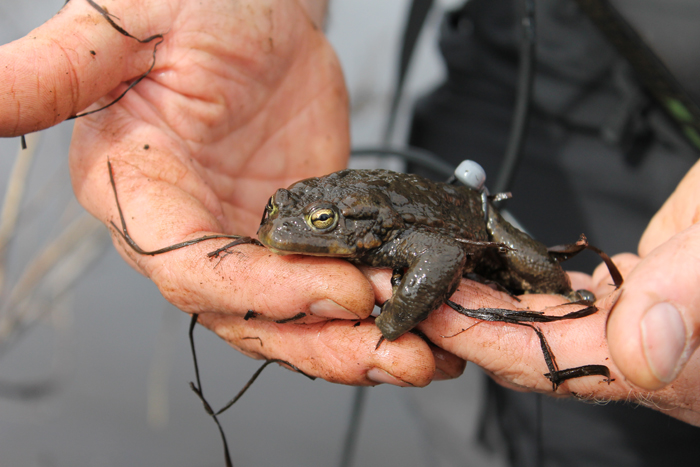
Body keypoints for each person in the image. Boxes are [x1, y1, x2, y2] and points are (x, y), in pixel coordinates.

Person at [1, 0, 699, 452]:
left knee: (553, 294)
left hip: (479, 218)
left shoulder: (393, 235)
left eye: (322, 223)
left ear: (354, 227)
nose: (290, 228)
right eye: (285, 213)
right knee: (512, 421)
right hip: (531, 46)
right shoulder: (330, 216)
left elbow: (431, 253)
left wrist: (396, 314)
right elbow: (304, 211)